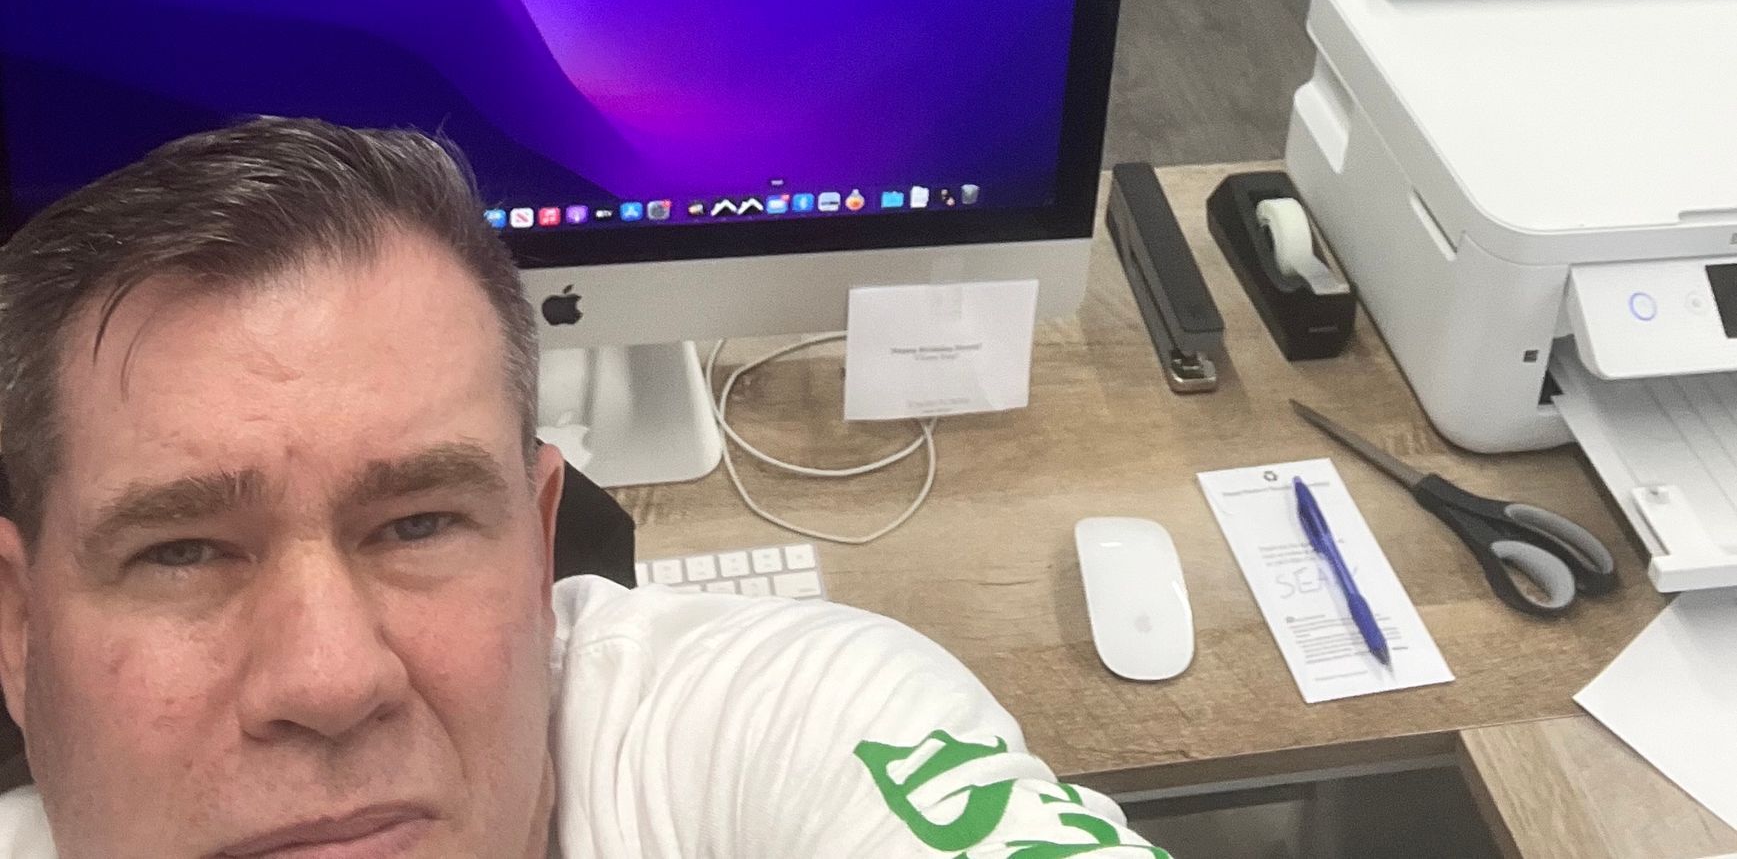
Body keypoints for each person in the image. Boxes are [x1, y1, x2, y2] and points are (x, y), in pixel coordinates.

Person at [0, 119, 1166, 859]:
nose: (331, 678)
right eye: (183, 551)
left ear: (541, 542)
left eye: (418, 524)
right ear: (18, 624)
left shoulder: (789, 728)